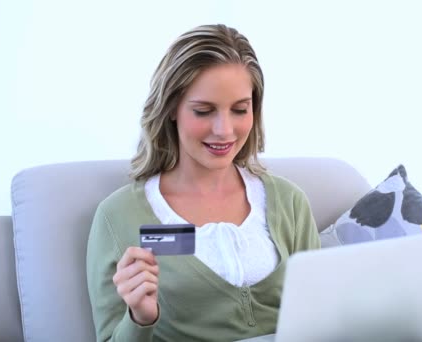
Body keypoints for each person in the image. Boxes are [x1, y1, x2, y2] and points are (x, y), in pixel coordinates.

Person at [86, 24, 321, 342]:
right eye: (204, 111)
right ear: (171, 108)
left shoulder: (289, 202)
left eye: (240, 109)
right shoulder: (119, 217)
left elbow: (320, 319)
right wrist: (141, 318)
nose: (225, 130)